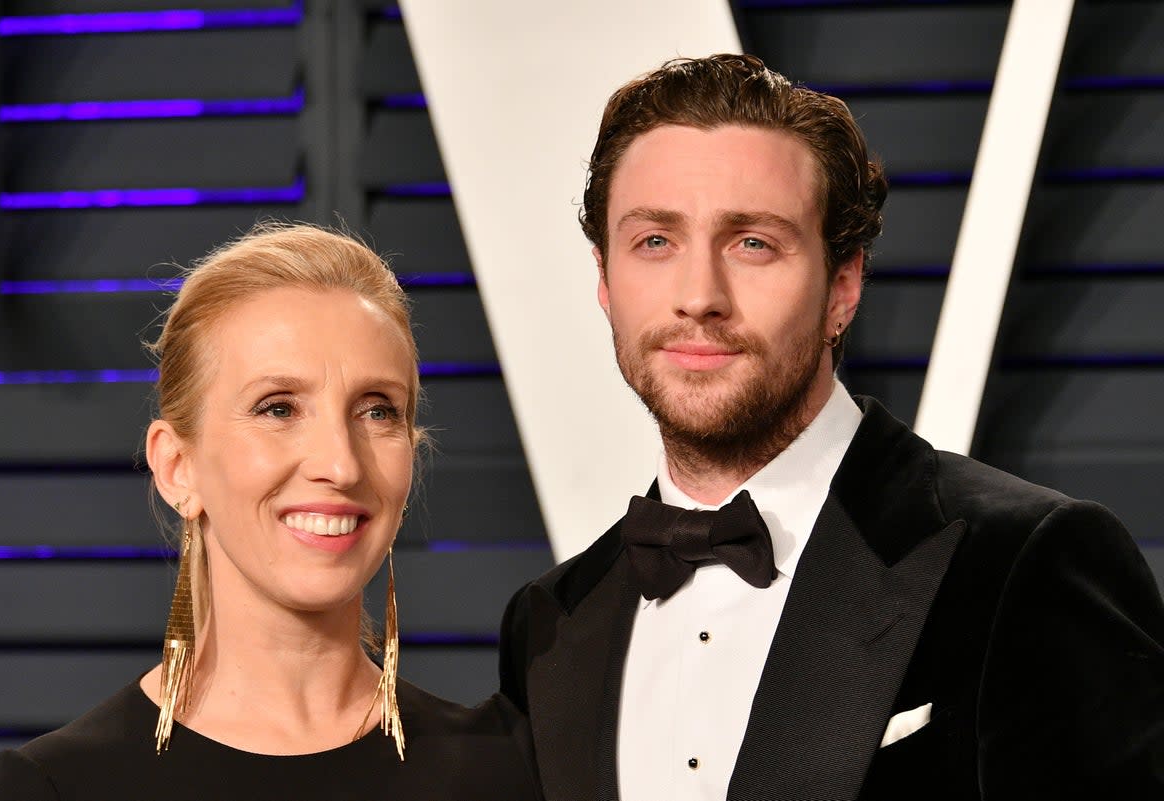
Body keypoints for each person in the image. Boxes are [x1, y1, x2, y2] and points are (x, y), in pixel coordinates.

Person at [499, 54, 1164, 800]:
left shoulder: (1025, 562)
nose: (698, 296)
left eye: (752, 242)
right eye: (655, 241)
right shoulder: (548, 624)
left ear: (843, 284)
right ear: (603, 276)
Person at [0, 223, 541, 801]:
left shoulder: (504, 768)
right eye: (278, 408)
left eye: (377, 412)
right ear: (178, 466)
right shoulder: (61, 786)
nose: (341, 464)